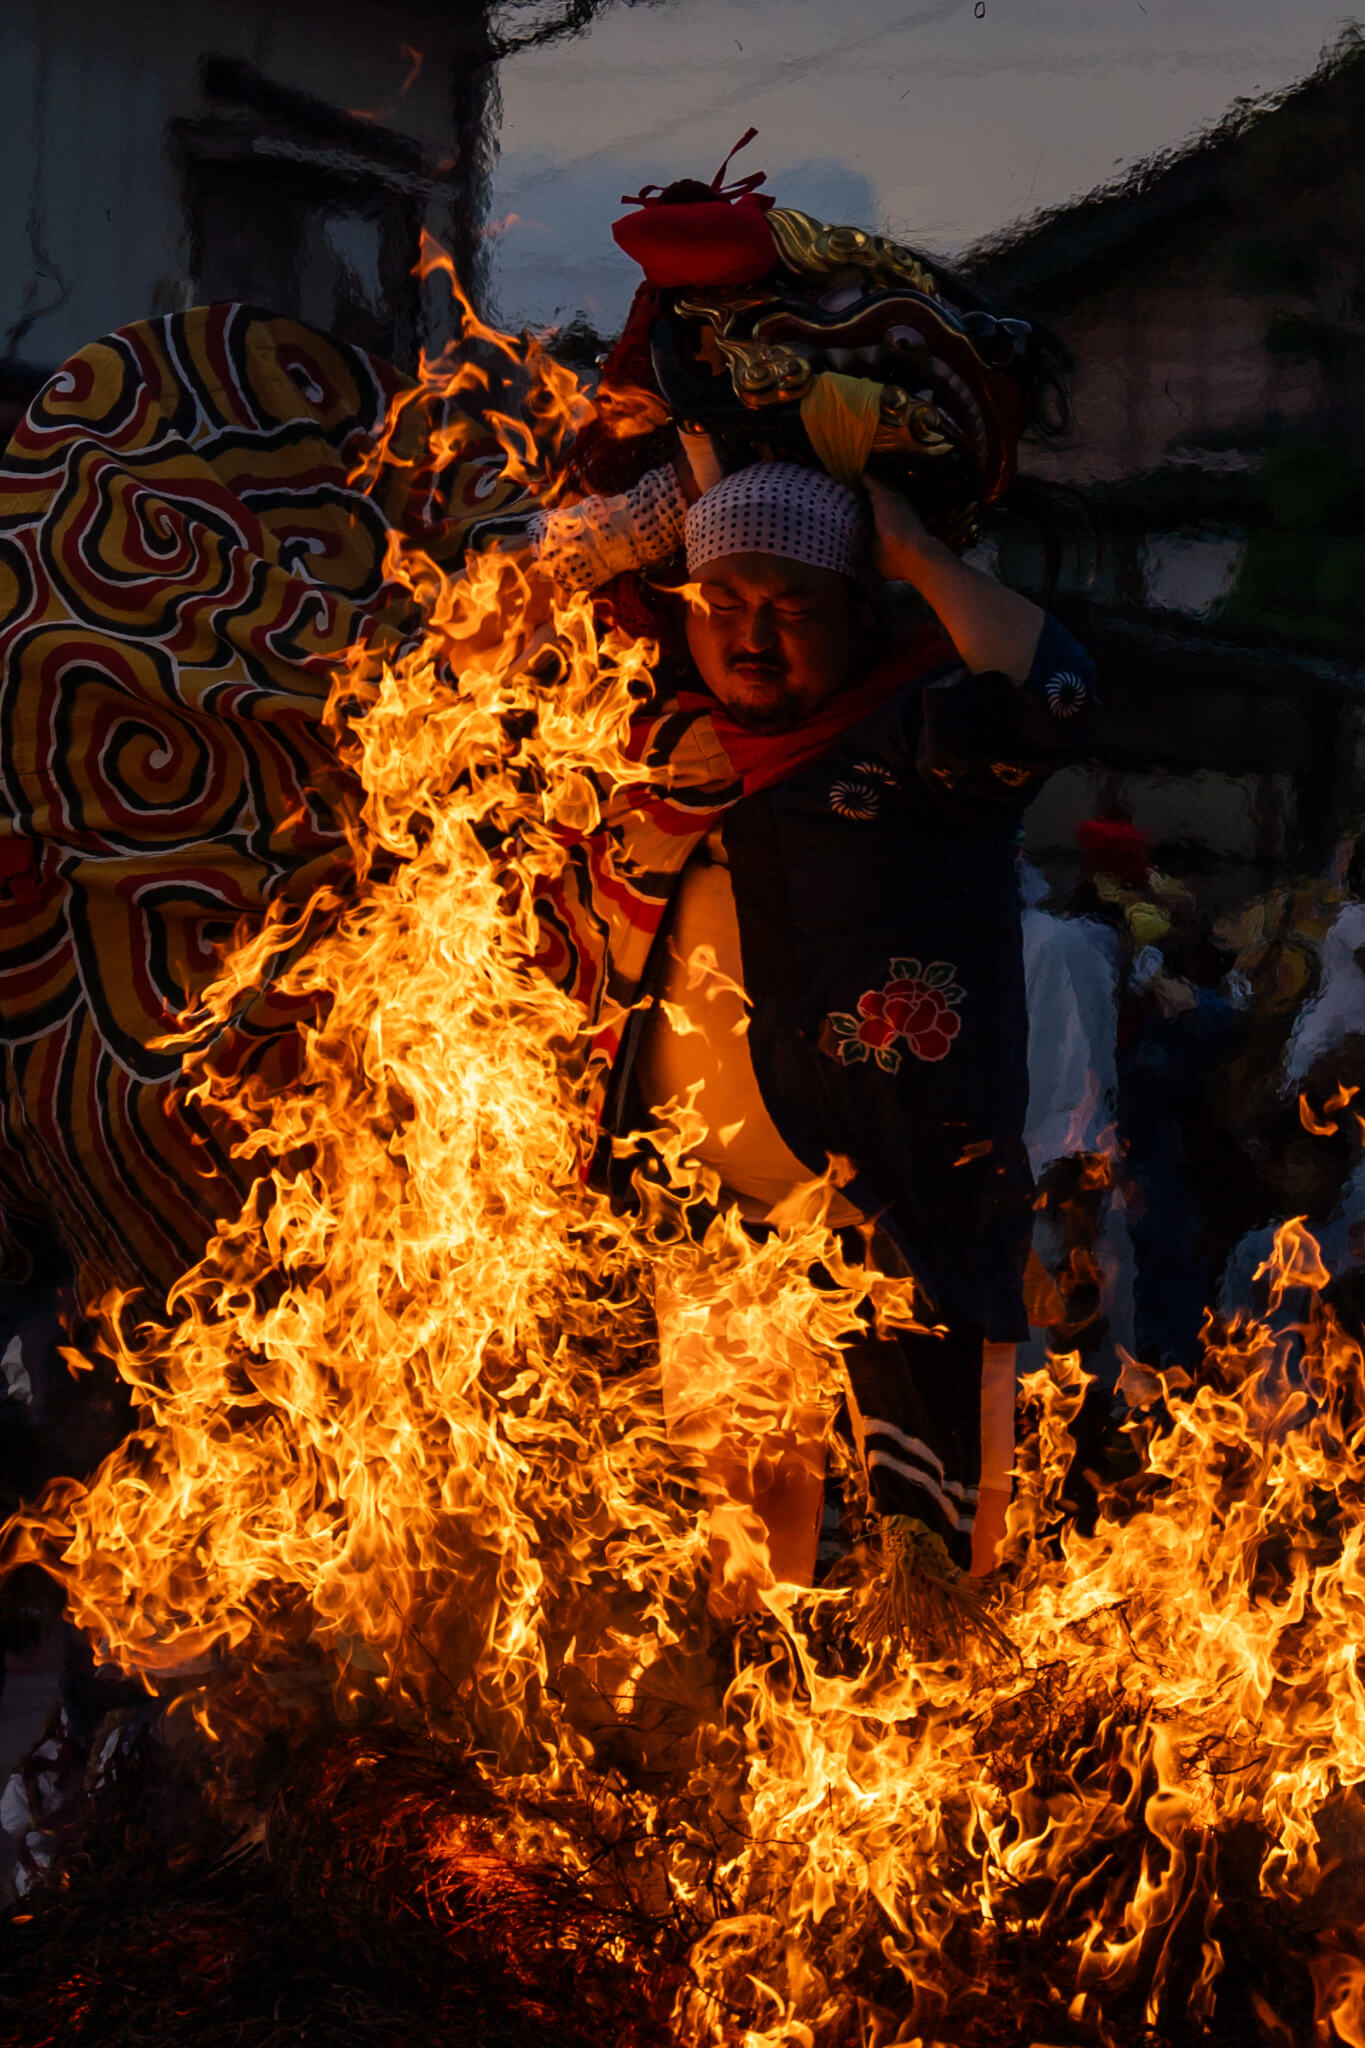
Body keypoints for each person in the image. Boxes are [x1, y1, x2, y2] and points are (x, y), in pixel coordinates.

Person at [519, 453, 1094, 1617]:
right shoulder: (646, 751)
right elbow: (467, 632)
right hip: (712, 1221)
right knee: (742, 1565)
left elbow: (1056, 690)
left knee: (937, 1568)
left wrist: (917, 553)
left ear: (857, 614)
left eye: (791, 607)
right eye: (722, 602)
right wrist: (642, 520)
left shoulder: (920, 746)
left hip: (902, 1218)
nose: (752, 636)